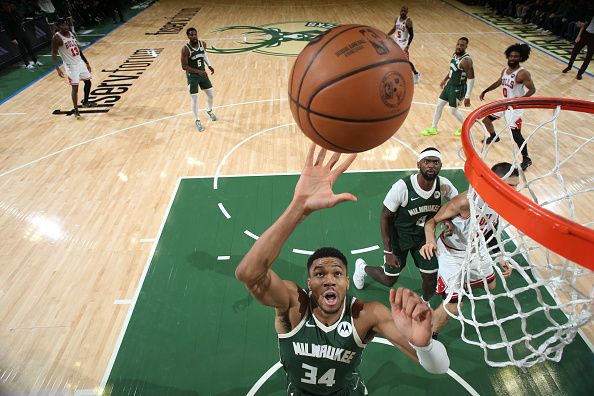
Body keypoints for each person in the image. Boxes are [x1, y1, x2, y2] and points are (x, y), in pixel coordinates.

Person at [235, 144, 450, 395]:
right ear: (308, 282)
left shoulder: (366, 314)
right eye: (319, 274)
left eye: (337, 273)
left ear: (347, 283)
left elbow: (439, 367)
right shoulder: (294, 305)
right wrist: (299, 207)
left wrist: (425, 346)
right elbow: (249, 274)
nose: (328, 280)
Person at [419, 162, 518, 340]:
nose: (515, 192)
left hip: (475, 251)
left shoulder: (501, 204)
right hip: (452, 253)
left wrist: (499, 256)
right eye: (510, 186)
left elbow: (491, 231)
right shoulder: (466, 202)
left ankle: (458, 285)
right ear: (494, 182)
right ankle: (428, 334)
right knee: (454, 306)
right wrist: (429, 241)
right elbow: (431, 223)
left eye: (516, 187)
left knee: (492, 285)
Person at [352, 148, 458, 303]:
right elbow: (384, 217)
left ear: (441, 165)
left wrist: (448, 218)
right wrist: (388, 251)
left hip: (423, 238)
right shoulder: (402, 187)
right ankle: (363, 268)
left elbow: (457, 204)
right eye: (426, 161)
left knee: (430, 279)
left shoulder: (444, 185)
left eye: (435, 162)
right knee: (390, 280)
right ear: (418, 164)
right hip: (400, 238)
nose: (431, 166)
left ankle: (424, 303)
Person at [479, 43, 536, 172]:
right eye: (511, 56)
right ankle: (494, 136)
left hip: (515, 108)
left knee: (516, 135)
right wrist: (486, 90)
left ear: (521, 58)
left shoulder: (523, 73)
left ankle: (526, 158)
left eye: (516, 56)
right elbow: (499, 82)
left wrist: (521, 101)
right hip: (504, 104)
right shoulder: (505, 70)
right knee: (486, 120)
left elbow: (532, 89)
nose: (512, 58)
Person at [420, 37, 475, 137]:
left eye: (462, 45)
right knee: (439, 106)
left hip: (459, 88)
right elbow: (452, 70)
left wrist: (467, 96)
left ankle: (465, 127)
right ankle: (433, 128)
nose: (459, 46)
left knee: (453, 111)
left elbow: (471, 79)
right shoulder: (455, 55)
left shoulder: (466, 61)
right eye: (458, 44)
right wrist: (445, 79)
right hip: (450, 85)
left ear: (466, 47)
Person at [51, 17, 96, 119]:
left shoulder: (71, 34)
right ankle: (76, 109)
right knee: (75, 88)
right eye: (63, 25)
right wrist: (57, 68)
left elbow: (77, 49)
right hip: (71, 66)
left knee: (88, 82)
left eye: (66, 24)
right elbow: (53, 53)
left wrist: (86, 62)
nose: (65, 26)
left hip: (79, 62)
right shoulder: (56, 38)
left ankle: (85, 101)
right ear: (58, 27)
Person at [181, 27, 216, 132]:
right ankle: (197, 120)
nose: (194, 36)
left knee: (211, 95)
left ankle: (209, 110)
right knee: (195, 99)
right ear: (188, 36)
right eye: (191, 35)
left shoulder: (203, 44)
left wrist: (209, 65)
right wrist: (198, 71)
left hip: (203, 73)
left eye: (195, 34)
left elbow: (204, 55)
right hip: (192, 77)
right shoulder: (185, 49)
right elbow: (184, 66)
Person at [0, 1, 41, 69]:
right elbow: (7, 29)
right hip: (15, 35)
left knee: (29, 46)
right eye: (5, 6)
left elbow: (20, 19)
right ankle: (27, 64)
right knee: (22, 49)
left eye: (8, 5)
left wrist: (22, 26)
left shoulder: (14, 11)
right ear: (3, 8)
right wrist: (12, 38)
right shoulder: (3, 16)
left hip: (22, 31)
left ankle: (35, 61)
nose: (7, 7)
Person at [387, 5, 421, 84]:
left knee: (406, 61)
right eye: (402, 10)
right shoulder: (397, 19)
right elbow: (394, 29)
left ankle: (416, 74)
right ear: (400, 10)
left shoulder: (408, 21)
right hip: (396, 42)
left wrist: (407, 46)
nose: (403, 12)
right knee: (393, 58)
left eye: (405, 11)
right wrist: (386, 35)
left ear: (407, 12)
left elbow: (412, 35)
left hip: (404, 43)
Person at [562, 15, 594, 80]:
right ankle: (569, 66)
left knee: (588, 57)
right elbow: (584, 25)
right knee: (574, 51)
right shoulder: (591, 15)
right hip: (585, 34)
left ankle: (580, 73)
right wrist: (579, 36)